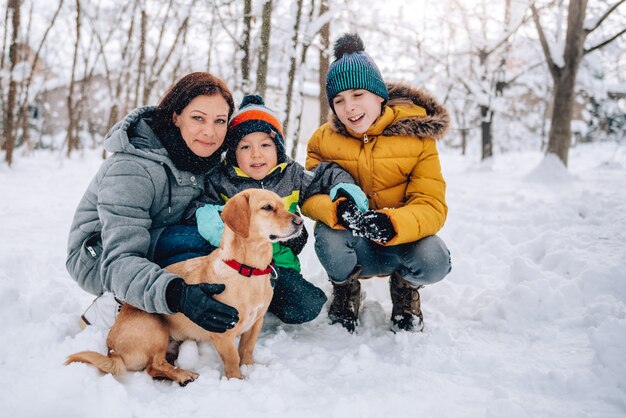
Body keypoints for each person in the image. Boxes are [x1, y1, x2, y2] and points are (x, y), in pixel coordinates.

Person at [66, 72, 240, 333]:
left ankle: (155, 304)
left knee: (220, 247)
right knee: (208, 242)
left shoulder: (206, 161)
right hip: (100, 257)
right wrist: (177, 295)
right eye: (198, 118)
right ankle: (115, 304)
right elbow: (119, 258)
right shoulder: (133, 166)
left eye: (219, 121)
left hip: (157, 240)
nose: (210, 131)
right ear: (175, 117)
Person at [301, 33, 452, 333]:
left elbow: (432, 204)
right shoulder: (323, 140)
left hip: (402, 244)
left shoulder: (417, 138)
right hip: (354, 244)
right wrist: (336, 210)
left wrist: (393, 223)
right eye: (339, 100)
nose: (349, 108)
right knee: (327, 238)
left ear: (379, 94)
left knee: (435, 258)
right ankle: (346, 291)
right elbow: (307, 194)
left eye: (358, 95)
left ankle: (405, 290)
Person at [185, 94, 368, 324]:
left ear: (278, 148)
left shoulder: (291, 175)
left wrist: (347, 193)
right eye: (245, 146)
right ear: (233, 152)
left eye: (265, 144)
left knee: (309, 306)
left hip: (277, 268)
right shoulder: (222, 180)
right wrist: (220, 226)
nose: (256, 154)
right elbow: (198, 207)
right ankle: (239, 303)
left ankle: (264, 301)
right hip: (235, 268)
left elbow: (327, 175)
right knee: (221, 305)